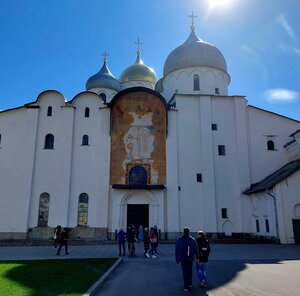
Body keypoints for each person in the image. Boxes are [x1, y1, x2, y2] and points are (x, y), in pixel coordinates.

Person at [175, 227, 199, 292]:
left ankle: (186, 286)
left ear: (183, 232)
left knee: (185, 272)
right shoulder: (192, 239)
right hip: (190, 258)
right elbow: (196, 248)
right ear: (189, 232)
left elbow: (177, 249)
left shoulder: (179, 240)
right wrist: (197, 257)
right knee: (190, 270)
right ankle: (190, 283)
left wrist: (177, 259)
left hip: (183, 259)